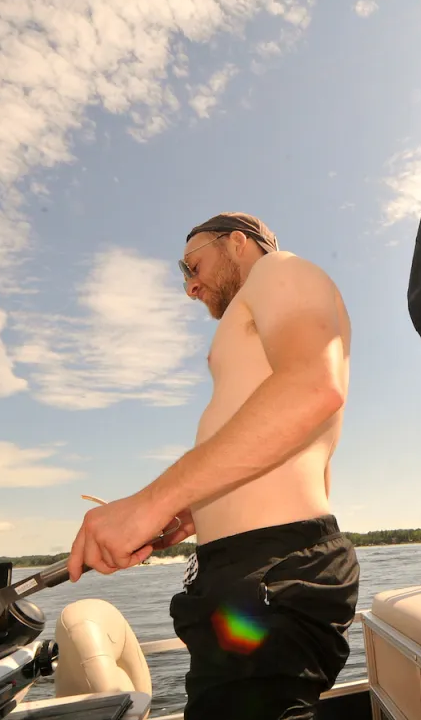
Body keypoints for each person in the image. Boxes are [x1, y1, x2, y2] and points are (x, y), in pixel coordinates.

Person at [67, 212, 360, 719]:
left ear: (237, 242)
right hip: (249, 568)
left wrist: (151, 502)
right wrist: (194, 509)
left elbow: (313, 386)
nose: (190, 285)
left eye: (191, 264)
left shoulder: (279, 270)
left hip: (271, 569)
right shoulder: (256, 307)